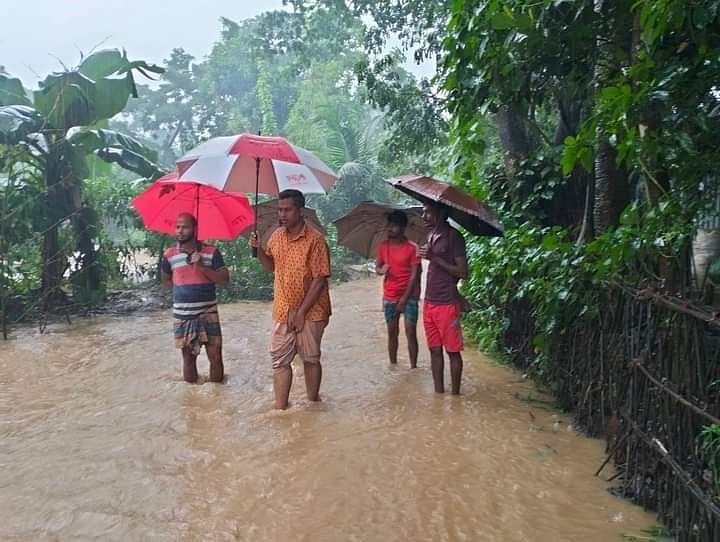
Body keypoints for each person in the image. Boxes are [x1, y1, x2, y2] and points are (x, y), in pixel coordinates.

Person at [249, 189, 332, 410]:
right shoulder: (276, 236)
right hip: (283, 309)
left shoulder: (315, 240)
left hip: (312, 311)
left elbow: (319, 280)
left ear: (300, 211)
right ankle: (281, 409)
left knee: (311, 359)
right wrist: (258, 252)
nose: (282, 215)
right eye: (280, 210)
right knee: (279, 361)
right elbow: (271, 267)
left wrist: (302, 312)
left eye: (287, 210)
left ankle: (313, 404)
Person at [160, 213, 229, 383]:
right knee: (189, 360)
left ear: (195, 229)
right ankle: (191, 401)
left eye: (185, 227)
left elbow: (224, 280)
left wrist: (202, 267)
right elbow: (167, 282)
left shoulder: (211, 252)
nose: (180, 231)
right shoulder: (169, 255)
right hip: (183, 315)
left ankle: (217, 396)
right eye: (177, 227)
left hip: (208, 313)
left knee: (215, 357)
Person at [418, 202, 468, 395]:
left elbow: (463, 272)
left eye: (428, 212)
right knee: (434, 350)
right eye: (423, 212)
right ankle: (438, 394)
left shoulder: (454, 237)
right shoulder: (430, 236)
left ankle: (455, 396)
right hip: (429, 301)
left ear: (441, 212)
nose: (424, 217)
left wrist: (434, 258)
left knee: (452, 351)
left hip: (447, 302)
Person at [376, 210, 421, 368]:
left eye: (394, 226)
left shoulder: (413, 248)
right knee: (392, 332)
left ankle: (413, 367)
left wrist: (404, 299)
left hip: (409, 297)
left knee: (410, 332)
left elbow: (414, 276)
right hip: (389, 296)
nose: (390, 229)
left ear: (403, 227)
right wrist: (383, 270)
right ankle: (393, 365)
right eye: (389, 226)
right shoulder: (383, 247)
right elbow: (377, 268)